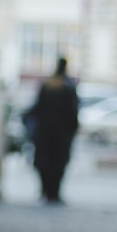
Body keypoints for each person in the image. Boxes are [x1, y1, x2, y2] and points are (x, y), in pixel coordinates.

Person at [28, 56, 80, 204]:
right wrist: (72, 130)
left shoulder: (47, 85)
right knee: (58, 163)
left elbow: (36, 109)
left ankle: (46, 190)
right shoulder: (68, 86)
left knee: (44, 162)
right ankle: (54, 192)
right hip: (61, 135)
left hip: (44, 133)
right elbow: (73, 113)